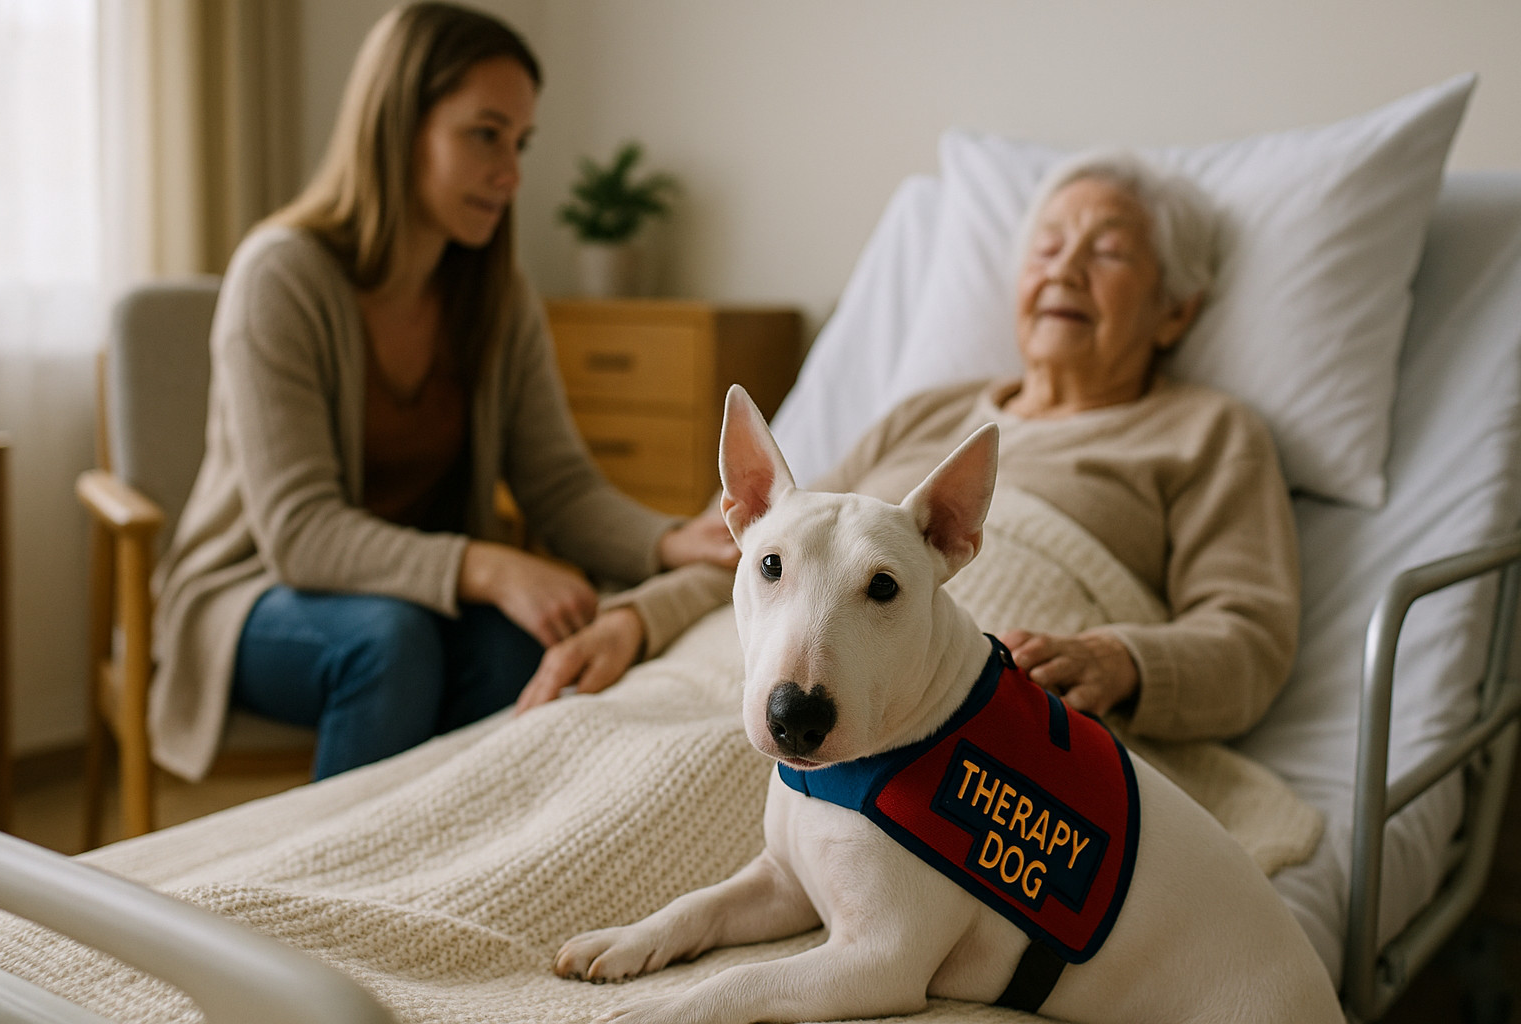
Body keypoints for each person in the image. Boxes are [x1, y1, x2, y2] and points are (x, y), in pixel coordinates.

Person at [518, 150, 1300, 744]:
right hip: (725, 665)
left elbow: (1252, 641)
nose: (1065, 267)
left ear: (1175, 311)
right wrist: (637, 620)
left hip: (946, 720)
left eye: (1108, 252)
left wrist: (1124, 661)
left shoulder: (1209, 434)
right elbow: (774, 548)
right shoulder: (928, 414)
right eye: (1049, 246)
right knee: (572, 735)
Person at [150, 1, 736, 783]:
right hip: (254, 593)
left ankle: (461, 869)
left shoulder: (498, 295)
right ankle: (327, 889)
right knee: (388, 643)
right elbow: (300, 532)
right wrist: (491, 567)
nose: (512, 173)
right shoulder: (281, 276)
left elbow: (558, 487)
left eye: (519, 142)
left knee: (522, 644)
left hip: (417, 603)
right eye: (484, 134)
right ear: (398, 128)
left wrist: (666, 542)